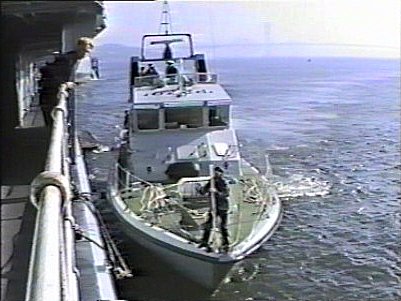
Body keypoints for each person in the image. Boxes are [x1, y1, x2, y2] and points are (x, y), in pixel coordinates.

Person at [39, 37, 94, 126]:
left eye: (86, 52)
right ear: (78, 47)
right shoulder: (67, 60)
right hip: (50, 97)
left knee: (55, 124)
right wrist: (65, 84)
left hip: (51, 95)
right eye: (83, 50)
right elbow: (50, 74)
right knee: (54, 125)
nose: (84, 54)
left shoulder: (71, 59)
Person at [198, 166, 230, 252]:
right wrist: (202, 189)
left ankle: (225, 242)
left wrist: (216, 192)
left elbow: (226, 193)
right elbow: (203, 191)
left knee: (223, 226)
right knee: (209, 224)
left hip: (222, 207)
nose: (216, 174)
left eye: (218, 173)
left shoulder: (223, 182)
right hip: (214, 207)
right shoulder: (211, 181)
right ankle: (204, 241)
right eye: (215, 172)